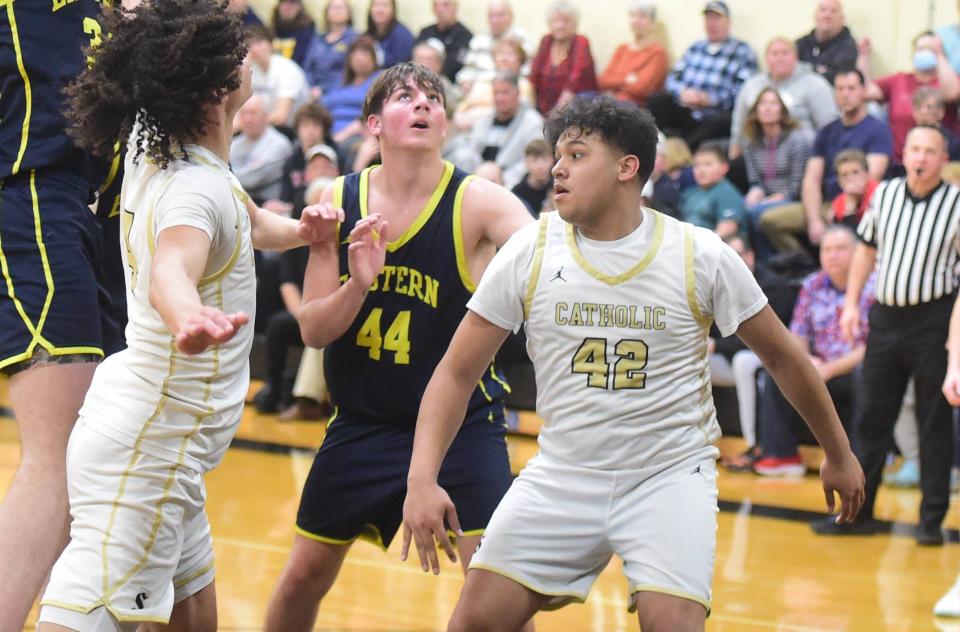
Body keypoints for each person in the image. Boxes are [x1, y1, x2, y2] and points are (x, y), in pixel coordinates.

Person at [400, 96, 864, 632]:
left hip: (667, 477)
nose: (556, 167)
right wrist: (420, 478)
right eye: (557, 155)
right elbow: (456, 373)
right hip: (564, 471)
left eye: (576, 154)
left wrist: (837, 451)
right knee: (472, 625)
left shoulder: (699, 254)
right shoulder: (530, 248)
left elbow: (784, 359)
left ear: (628, 168)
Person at [35, 2, 333, 630]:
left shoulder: (168, 147)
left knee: (196, 613)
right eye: (235, 51)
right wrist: (188, 314)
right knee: (84, 612)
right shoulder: (194, 191)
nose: (248, 53)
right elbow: (174, 266)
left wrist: (305, 232)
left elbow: (252, 224)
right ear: (217, 90)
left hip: (156, 434)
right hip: (152, 449)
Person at [262, 62, 533, 632]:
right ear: (373, 125)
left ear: (447, 121)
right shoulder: (337, 196)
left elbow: (550, 254)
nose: (422, 105)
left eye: (433, 98)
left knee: (496, 594)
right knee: (301, 579)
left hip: (464, 429)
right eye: (406, 97)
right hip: (364, 423)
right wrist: (359, 282)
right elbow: (313, 331)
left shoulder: (481, 203)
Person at [0, 2, 126, 628]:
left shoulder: (113, 14)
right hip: (32, 196)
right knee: (60, 452)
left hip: (94, 215)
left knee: (97, 457)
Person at [811, 125, 960, 545]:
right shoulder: (887, 194)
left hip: (933, 320)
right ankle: (857, 513)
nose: (921, 157)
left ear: (942, 158)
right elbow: (866, 250)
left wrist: (954, 343)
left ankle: (931, 521)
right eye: (915, 148)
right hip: (886, 318)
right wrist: (852, 303)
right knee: (871, 417)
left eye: (930, 150)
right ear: (904, 152)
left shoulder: (955, 203)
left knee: (933, 422)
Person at [753, 225, 874, 476]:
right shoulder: (812, 284)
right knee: (776, 372)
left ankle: (863, 459)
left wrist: (828, 370)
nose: (833, 255)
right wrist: (806, 361)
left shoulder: (874, 286)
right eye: (827, 249)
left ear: (857, 253)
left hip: (853, 367)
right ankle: (780, 455)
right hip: (818, 365)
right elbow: (797, 334)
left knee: (867, 374)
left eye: (841, 249)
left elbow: (871, 346)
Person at [759, 69, 892, 254]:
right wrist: (814, 220)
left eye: (851, 88)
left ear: (863, 91)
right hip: (823, 205)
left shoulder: (878, 130)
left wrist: (841, 207)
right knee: (770, 220)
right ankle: (802, 268)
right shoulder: (827, 132)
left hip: (859, 207)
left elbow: (868, 180)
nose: (845, 94)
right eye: (840, 89)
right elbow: (811, 179)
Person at [646, 0, 757, 150]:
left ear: (728, 22)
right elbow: (672, 78)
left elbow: (744, 90)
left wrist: (710, 99)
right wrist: (683, 92)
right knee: (656, 99)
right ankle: (657, 148)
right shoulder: (695, 48)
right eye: (708, 18)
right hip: (686, 108)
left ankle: (683, 150)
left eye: (717, 18)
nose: (712, 23)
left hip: (713, 113)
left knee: (723, 119)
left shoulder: (742, 51)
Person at [858, 31, 960, 173]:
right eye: (920, 49)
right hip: (899, 164)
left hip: (939, 165)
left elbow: (953, 93)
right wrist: (863, 55)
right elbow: (866, 91)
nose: (925, 53)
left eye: (930, 50)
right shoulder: (899, 80)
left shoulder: (947, 80)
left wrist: (940, 56)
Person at [729, 37, 836, 158]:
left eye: (785, 53)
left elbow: (829, 128)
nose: (780, 59)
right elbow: (739, 126)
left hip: (804, 155)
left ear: (796, 57)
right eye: (774, 54)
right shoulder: (752, 85)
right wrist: (733, 157)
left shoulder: (815, 84)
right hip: (757, 156)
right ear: (766, 58)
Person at [740, 87, 813, 259]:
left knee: (755, 213)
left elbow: (797, 186)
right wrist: (754, 194)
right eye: (763, 104)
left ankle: (768, 262)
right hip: (765, 196)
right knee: (739, 208)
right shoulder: (751, 144)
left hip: (791, 197)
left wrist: (770, 199)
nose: (767, 108)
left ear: (782, 111)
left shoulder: (797, 141)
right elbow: (755, 182)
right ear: (755, 112)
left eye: (773, 104)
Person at [529, 1, 598, 116]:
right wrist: (532, 110)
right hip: (542, 109)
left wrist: (556, 115)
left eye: (566, 21)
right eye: (556, 21)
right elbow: (534, 74)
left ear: (575, 24)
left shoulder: (581, 42)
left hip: (574, 110)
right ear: (549, 23)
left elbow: (576, 78)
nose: (560, 26)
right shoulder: (546, 40)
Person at [597, 1, 667, 107]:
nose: (636, 21)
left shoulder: (657, 53)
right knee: (582, 98)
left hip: (635, 108)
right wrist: (626, 80)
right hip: (611, 101)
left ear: (653, 23)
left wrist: (615, 83)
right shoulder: (622, 49)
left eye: (642, 16)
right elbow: (602, 81)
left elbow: (642, 89)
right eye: (633, 16)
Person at [247, 25, 311, 129]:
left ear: (271, 45)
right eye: (249, 45)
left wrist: (246, 124)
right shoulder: (251, 70)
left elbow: (281, 117)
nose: (254, 49)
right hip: (261, 127)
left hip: (291, 129)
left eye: (259, 43)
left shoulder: (287, 70)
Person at [680, 142, 748, 240]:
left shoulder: (727, 193)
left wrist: (700, 245)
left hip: (716, 247)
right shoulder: (689, 193)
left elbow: (728, 229)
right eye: (697, 165)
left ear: (724, 168)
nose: (701, 170)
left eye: (708, 164)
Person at [302, 0, 358, 100]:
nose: (337, 11)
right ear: (326, 14)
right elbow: (308, 68)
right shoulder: (317, 39)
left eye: (340, 8)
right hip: (312, 92)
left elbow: (352, 72)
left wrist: (323, 89)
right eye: (333, 8)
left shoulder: (355, 39)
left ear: (349, 14)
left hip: (341, 91)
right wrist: (311, 87)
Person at [795, 0, 858, 85]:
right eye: (823, 10)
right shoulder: (801, 44)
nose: (827, 15)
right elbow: (789, 71)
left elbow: (837, 80)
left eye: (833, 11)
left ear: (842, 18)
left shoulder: (848, 48)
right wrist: (816, 69)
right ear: (815, 15)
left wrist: (805, 70)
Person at [415, 0, 473, 82]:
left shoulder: (464, 36)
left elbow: (454, 67)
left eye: (446, 5)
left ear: (455, 8)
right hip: (418, 79)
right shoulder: (425, 32)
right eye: (436, 5)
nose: (440, 9)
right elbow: (413, 59)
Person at [365, 0, 414, 69]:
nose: (380, 10)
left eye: (385, 5)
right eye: (376, 5)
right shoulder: (367, 35)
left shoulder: (402, 35)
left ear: (393, 10)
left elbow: (402, 68)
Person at [270, 0, 315, 67]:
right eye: (284, 3)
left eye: (292, 3)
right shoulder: (273, 27)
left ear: (299, 7)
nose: (288, 7)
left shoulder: (307, 28)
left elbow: (301, 58)